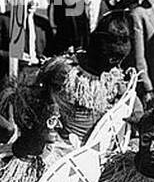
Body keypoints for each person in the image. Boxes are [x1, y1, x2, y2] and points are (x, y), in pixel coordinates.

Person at [53, 11, 136, 144]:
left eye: (120, 59)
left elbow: (133, 106)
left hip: (99, 150)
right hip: (63, 149)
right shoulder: (66, 72)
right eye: (112, 58)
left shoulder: (114, 77)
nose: (116, 64)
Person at [0, 0, 54, 109]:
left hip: (36, 82)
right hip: (8, 80)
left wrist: (45, 60)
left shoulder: (43, 24)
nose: (32, 1)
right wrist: (13, 56)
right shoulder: (2, 21)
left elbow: (50, 52)